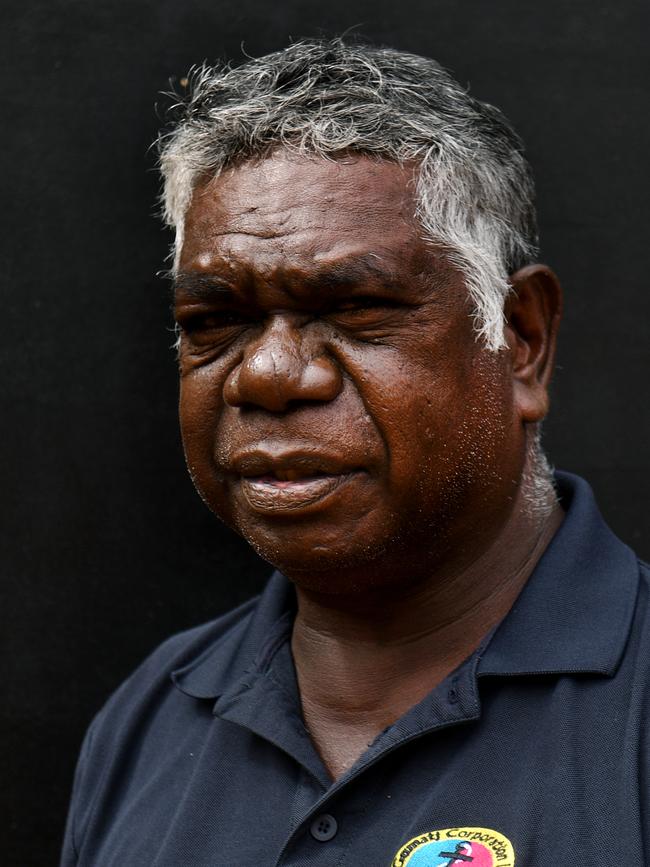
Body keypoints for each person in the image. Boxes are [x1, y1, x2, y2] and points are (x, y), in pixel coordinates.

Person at [61, 39, 649, 867]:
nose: (265, 375)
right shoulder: (151, 718)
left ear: (520, 340)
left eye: (356, 307)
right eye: (214, 322)